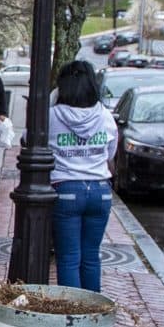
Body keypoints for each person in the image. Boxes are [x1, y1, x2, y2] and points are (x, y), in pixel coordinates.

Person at [50, 59, 119, 291]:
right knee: (91, 256)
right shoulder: (105, 116)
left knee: (68, 257)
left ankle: (71, 313)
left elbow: (29, 140)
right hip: (100, 190)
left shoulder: (52, 116)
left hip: (66, 188)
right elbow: (111, 153)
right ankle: (92, 314)